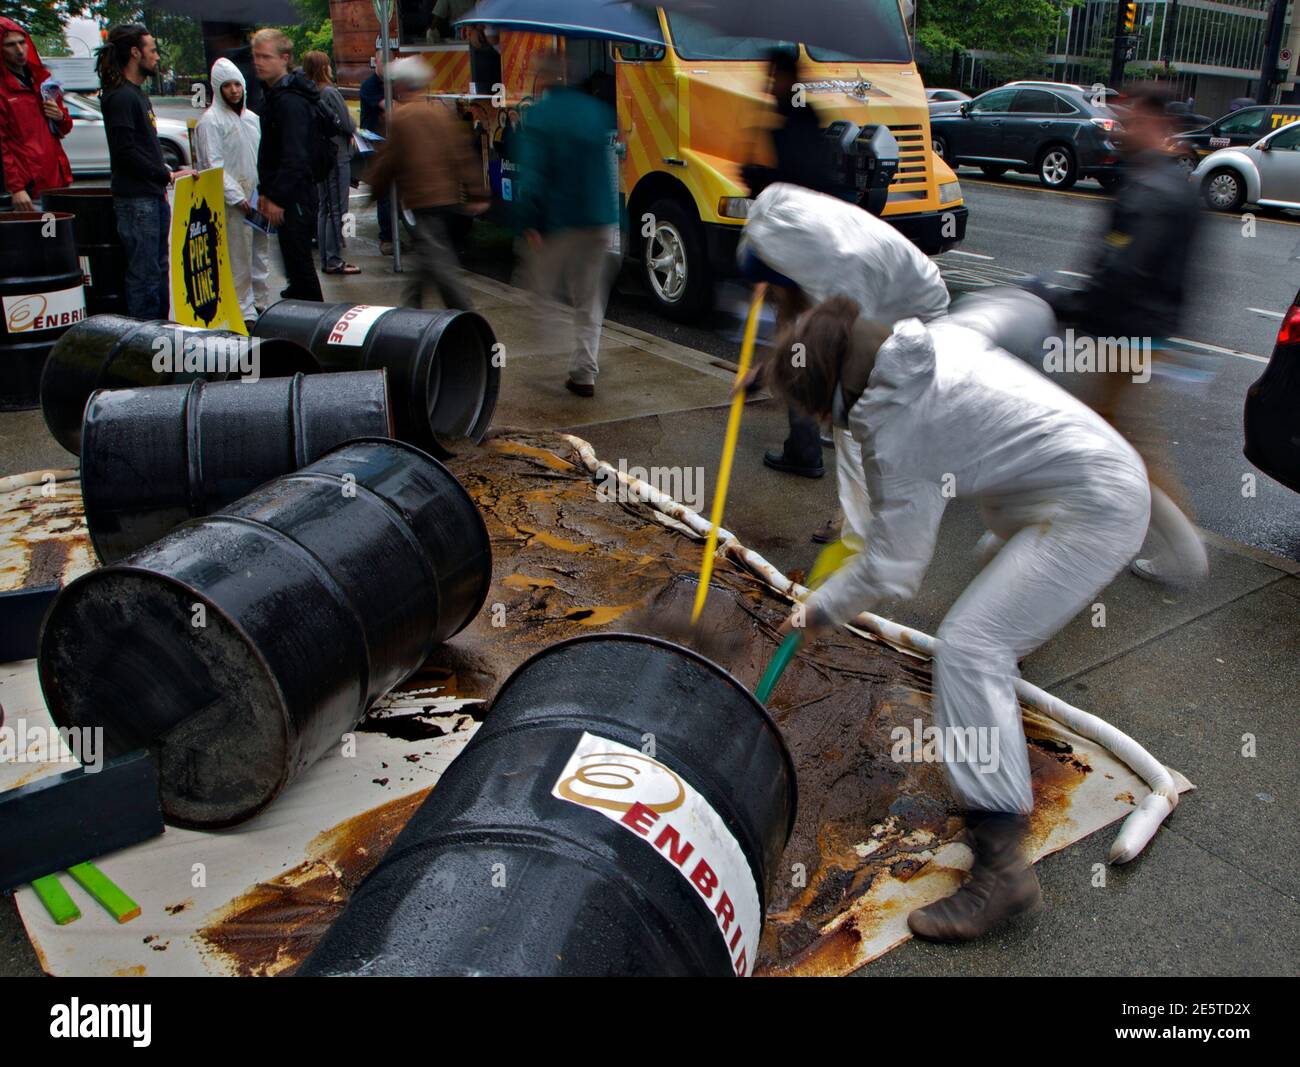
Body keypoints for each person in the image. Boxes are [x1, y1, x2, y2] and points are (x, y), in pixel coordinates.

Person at [765, 296, 1151, 941]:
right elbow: (1018, 310)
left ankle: (1001, 869)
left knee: (971, 646)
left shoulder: (899, 427)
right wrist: (1043, 297)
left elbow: (895, 564)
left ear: (837, 397)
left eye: (814, 411)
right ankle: (995, 711)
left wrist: (818, 609)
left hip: (1092, 510)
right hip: (1066, 483)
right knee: (992, 604)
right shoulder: (932, 340)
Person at [1045, 83, 1207, 585]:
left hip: (1124, 337)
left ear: (1155, 122)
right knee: (1114, 437)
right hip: (1142, 332)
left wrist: (1066, 303)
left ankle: (1183, 553)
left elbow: (1123, 271)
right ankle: (1092, 531)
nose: (1120, 126)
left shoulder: (1152, 189)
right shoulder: (1169, 181)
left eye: (1130, 118)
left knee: (1118, 444)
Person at [738, 182, 950, 547]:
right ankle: (872, 501)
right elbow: (796, 323)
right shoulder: (781, 222)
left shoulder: (841, 272)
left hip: (914, 312)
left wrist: (768, 372)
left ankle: (858, 530)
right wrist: (763, 371)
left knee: (855, 421)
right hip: (880, 289)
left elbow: (829, 351)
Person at [744, 48, 844, 481]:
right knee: (811, 344)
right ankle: (818, 428)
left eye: (773, 76)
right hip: (822, 252)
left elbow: (788, 191)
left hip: (796, 258)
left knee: (796, 347)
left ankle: (803, 450)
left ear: (785, 76)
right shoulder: (810, 120)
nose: (769, 84)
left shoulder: (789, 127)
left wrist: (755, 176)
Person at [514, 50, 618, 398]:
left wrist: (531, 223)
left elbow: (533, 176)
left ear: (543, 79)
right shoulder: (597, 111)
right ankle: (583, 372)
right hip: (599, 221)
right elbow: (609, 166)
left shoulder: (540, 117)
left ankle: (552, 347)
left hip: (560, 223)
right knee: (589, 299)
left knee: (537, 286)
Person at [366, 57, 487, 310]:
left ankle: (464, 314)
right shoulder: (440, 114)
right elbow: (462, 155)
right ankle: (412, 308)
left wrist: (373, 192)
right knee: (428, 256)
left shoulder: (400, 119)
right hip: (448, 197)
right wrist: (477, 193)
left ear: (401, 87)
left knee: (437, 261)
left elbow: (387, 161)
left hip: (421, 200)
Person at [97, 23, 191, 320]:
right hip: (137, 201)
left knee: (157, 269)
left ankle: (159, 332)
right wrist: (162, 174)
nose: (157, 57)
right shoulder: (121, 97)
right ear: (135, 53)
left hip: (150, 197)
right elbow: (125, 153)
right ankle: (145, 340)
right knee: (145, 274)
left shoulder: (135, 94)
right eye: (152, 50)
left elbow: (141, 147)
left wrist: (165, 170)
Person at [194, 58, 270, 326]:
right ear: (218, 88)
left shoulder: (252, 119)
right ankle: (242, 310)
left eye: (238, 84)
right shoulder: (211, 123)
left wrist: (264, 192)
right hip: (233, 203)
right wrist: (237, 197)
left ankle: (260, 303)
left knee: (259, 254)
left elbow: (262, 157)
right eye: (228, 85)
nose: (235, 90)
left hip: (257, 198)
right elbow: (213, 164)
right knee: (237, 256)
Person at [251, 28, 324, 302]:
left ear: (284, 58)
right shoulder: (276, 95)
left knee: (300, 267)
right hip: (289, 195)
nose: (258, 62)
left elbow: (295, 156)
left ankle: (317, 328)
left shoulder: (290, 100)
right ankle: (304, 319)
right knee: (295, 269)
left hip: (295, 197)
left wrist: (277, 197)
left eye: (266, 57)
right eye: (256, 56)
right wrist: (266, 192)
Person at [0, 17, 73, 212]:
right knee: (38, 237)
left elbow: (65, 127)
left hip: (55, 179)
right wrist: (16, 188)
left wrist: (60, 116)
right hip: (28, 188)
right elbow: (3, 144)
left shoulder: (42, 80)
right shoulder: (4, 90)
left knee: (53, 236)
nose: (19, 49)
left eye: (22, 42)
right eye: (10, 45)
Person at [302, 50, 359, 276]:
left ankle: (327, 257)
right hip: (336, 155)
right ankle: (334, 258)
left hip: (321, 157)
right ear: (323, 68)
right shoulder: (329, 92)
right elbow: (347, 123)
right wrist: (353, 127)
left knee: (324, 208)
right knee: (338, 208)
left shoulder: (309, 93)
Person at [358, 49, 392, 255]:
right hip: (374, 145)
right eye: (384, 63)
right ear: (376, 63)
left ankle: (392, 236)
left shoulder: (391, 85)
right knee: (385, 193)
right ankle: (387, 239)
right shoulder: (369, 86)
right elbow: (390, 109)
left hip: (389, 143)